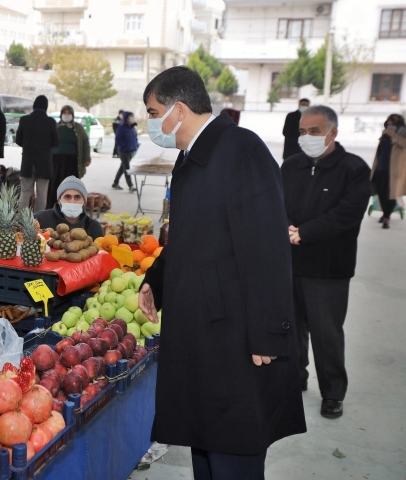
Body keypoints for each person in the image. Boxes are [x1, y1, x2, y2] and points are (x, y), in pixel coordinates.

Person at [137, 66, 306, 479]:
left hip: (235, 332)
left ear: (178, 110)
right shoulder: (191, 157)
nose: (150, 122)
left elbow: (268, 246)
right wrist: (156, 278)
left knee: (234, 445)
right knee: (207, 440)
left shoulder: (240, 150)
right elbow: (190, 233)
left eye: (153, 111)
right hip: (202, 329)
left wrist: (269, 331)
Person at [281, 105, 371, 419]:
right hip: (291, 263)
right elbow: (276, 204)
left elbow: (346, 215)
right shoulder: (290, 166)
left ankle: (333, 393)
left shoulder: (354, 169)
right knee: (291, 329)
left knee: (326, 333)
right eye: (303, 132)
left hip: (329, 269)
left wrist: (303, 232)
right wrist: (287, 229)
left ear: (333, 132)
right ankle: (296, 378)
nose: (307, 137)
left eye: (314, 132)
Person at [15, 95, 59, 211]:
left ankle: (20, 221)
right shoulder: (50, 122)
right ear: (46, 107)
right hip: (44, 163)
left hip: (28, 162)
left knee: (25, 192)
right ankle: (39, 221)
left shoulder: (24, 120)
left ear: (34, 106)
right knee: (42, 194)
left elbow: (18, 140)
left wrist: (29, 146)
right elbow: (56, 142)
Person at [47, 105, 90, 208]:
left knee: (70, 184)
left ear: (72, 115)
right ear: (61, 114)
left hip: (72, 161)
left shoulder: (78, 128)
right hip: (56, 161)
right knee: (55, 183)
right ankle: (53, 207)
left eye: (69, 113)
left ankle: (71, 206)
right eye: (64, 113)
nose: (66, 115)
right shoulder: (55, 126)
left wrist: (86, 158)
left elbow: (85, 142)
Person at [35, 176, 103, 238]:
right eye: (67, 197)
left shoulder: (94, 227)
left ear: (84, 202)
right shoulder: (40, 219)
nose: (72, 201)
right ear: (59, 200)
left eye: (77, 197)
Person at [371, 114, 406, 229]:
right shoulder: (385, 134)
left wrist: (394, 136)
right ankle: (386, 213)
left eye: (393, 124)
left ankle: (387, 216)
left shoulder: (403, 133)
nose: (391, 126)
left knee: (391, 194)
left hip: (394, 171)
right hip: (380, 168)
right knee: (381, 192)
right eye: (389, 124)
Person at [112, 111, 137, 192]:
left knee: (122, 167)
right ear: (126, 118)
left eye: (132, 116)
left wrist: (135, 147)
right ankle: (131, 185)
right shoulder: (121, 128)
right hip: (123, 151)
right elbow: (118, 139)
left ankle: (115, 183)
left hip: (131, 151)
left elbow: (135, 138)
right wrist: (124, 147)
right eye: (130, 117)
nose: (132, 118)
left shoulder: (133, 128)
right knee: (127, 168)